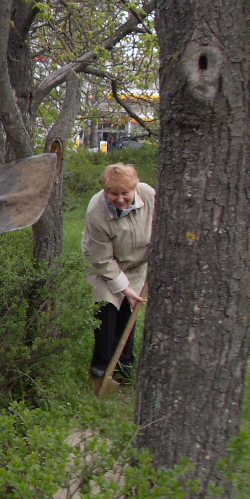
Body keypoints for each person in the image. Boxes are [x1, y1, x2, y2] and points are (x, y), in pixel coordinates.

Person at [81, 163, 154, 382]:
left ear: (135, 188)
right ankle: (101, 367)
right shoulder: (96, 212)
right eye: (114, 194)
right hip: (104, 263)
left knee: (128, 311)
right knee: (107, 309)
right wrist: (123, 288)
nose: (120, 199)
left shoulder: (149, 195)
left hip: (137, 264)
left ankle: (124, 365)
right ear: (105, 191)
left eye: (125, 193)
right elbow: (101, 258)